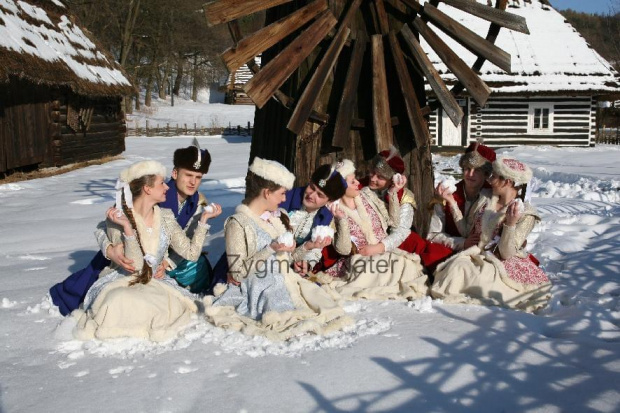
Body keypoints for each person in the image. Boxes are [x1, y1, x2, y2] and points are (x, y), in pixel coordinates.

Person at [50, 140, 214, 315]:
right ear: (175, 173)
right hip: (128, 257)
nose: (193, 182)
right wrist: (109, 249)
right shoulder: (150, 193)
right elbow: (103, 227)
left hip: (165, 258)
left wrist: (167, 262)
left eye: (198, 177)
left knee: (199, 266)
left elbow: (188, 241)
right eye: (188, 175)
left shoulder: (196, 203)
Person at [204, 157, 352, 340]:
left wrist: (306, 260)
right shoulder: (282, 198)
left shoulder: (325, 215)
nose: (312, 195)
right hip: (250, 262)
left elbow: (326, 250)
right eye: (312, 187)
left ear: (328, 201)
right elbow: (249, 232)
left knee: (311, 295)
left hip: (282, 263)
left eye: (320, 195)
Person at [72, 160, 222, 341]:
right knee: (118, 299)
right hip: (122, 281)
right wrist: (127, 229)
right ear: (147, 189)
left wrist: (204, 220)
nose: (167, 188)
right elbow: (134, 266)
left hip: (155, 282)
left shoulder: (165, 217)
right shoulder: (119, 217)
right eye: (161, 183)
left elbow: (191, 253)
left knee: (160, 303)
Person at [431, 156, 551, 313]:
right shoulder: (486, 198)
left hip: (502, 262)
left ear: (507, 182)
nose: (490, 179)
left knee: (479, 279)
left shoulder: (526, 213)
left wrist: (510, 223)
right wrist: (451, 202)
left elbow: (507, 253)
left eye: (494, 176)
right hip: (477, 255)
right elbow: (467, 230)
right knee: (456, 268)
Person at [314, 160, 428, 301]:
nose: (358, 183)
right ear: (340, 186)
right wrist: (341, 220)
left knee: (405, 264)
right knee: (373, 268)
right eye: (352, 181)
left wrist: (393, 193)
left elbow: (394, 222)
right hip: (358, 258)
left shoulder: (366, 195)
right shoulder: (331, 209)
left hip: (383, 252)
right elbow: (343, 250)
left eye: (356, 179)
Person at [427, 141, 496, 259]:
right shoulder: (447, 194)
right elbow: (432, 234)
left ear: (486, 174)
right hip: (451, 250)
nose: (470, 174)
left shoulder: (493, 197)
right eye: (467, 168)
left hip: (482, 254)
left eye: (477, 170)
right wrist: (462, 243)